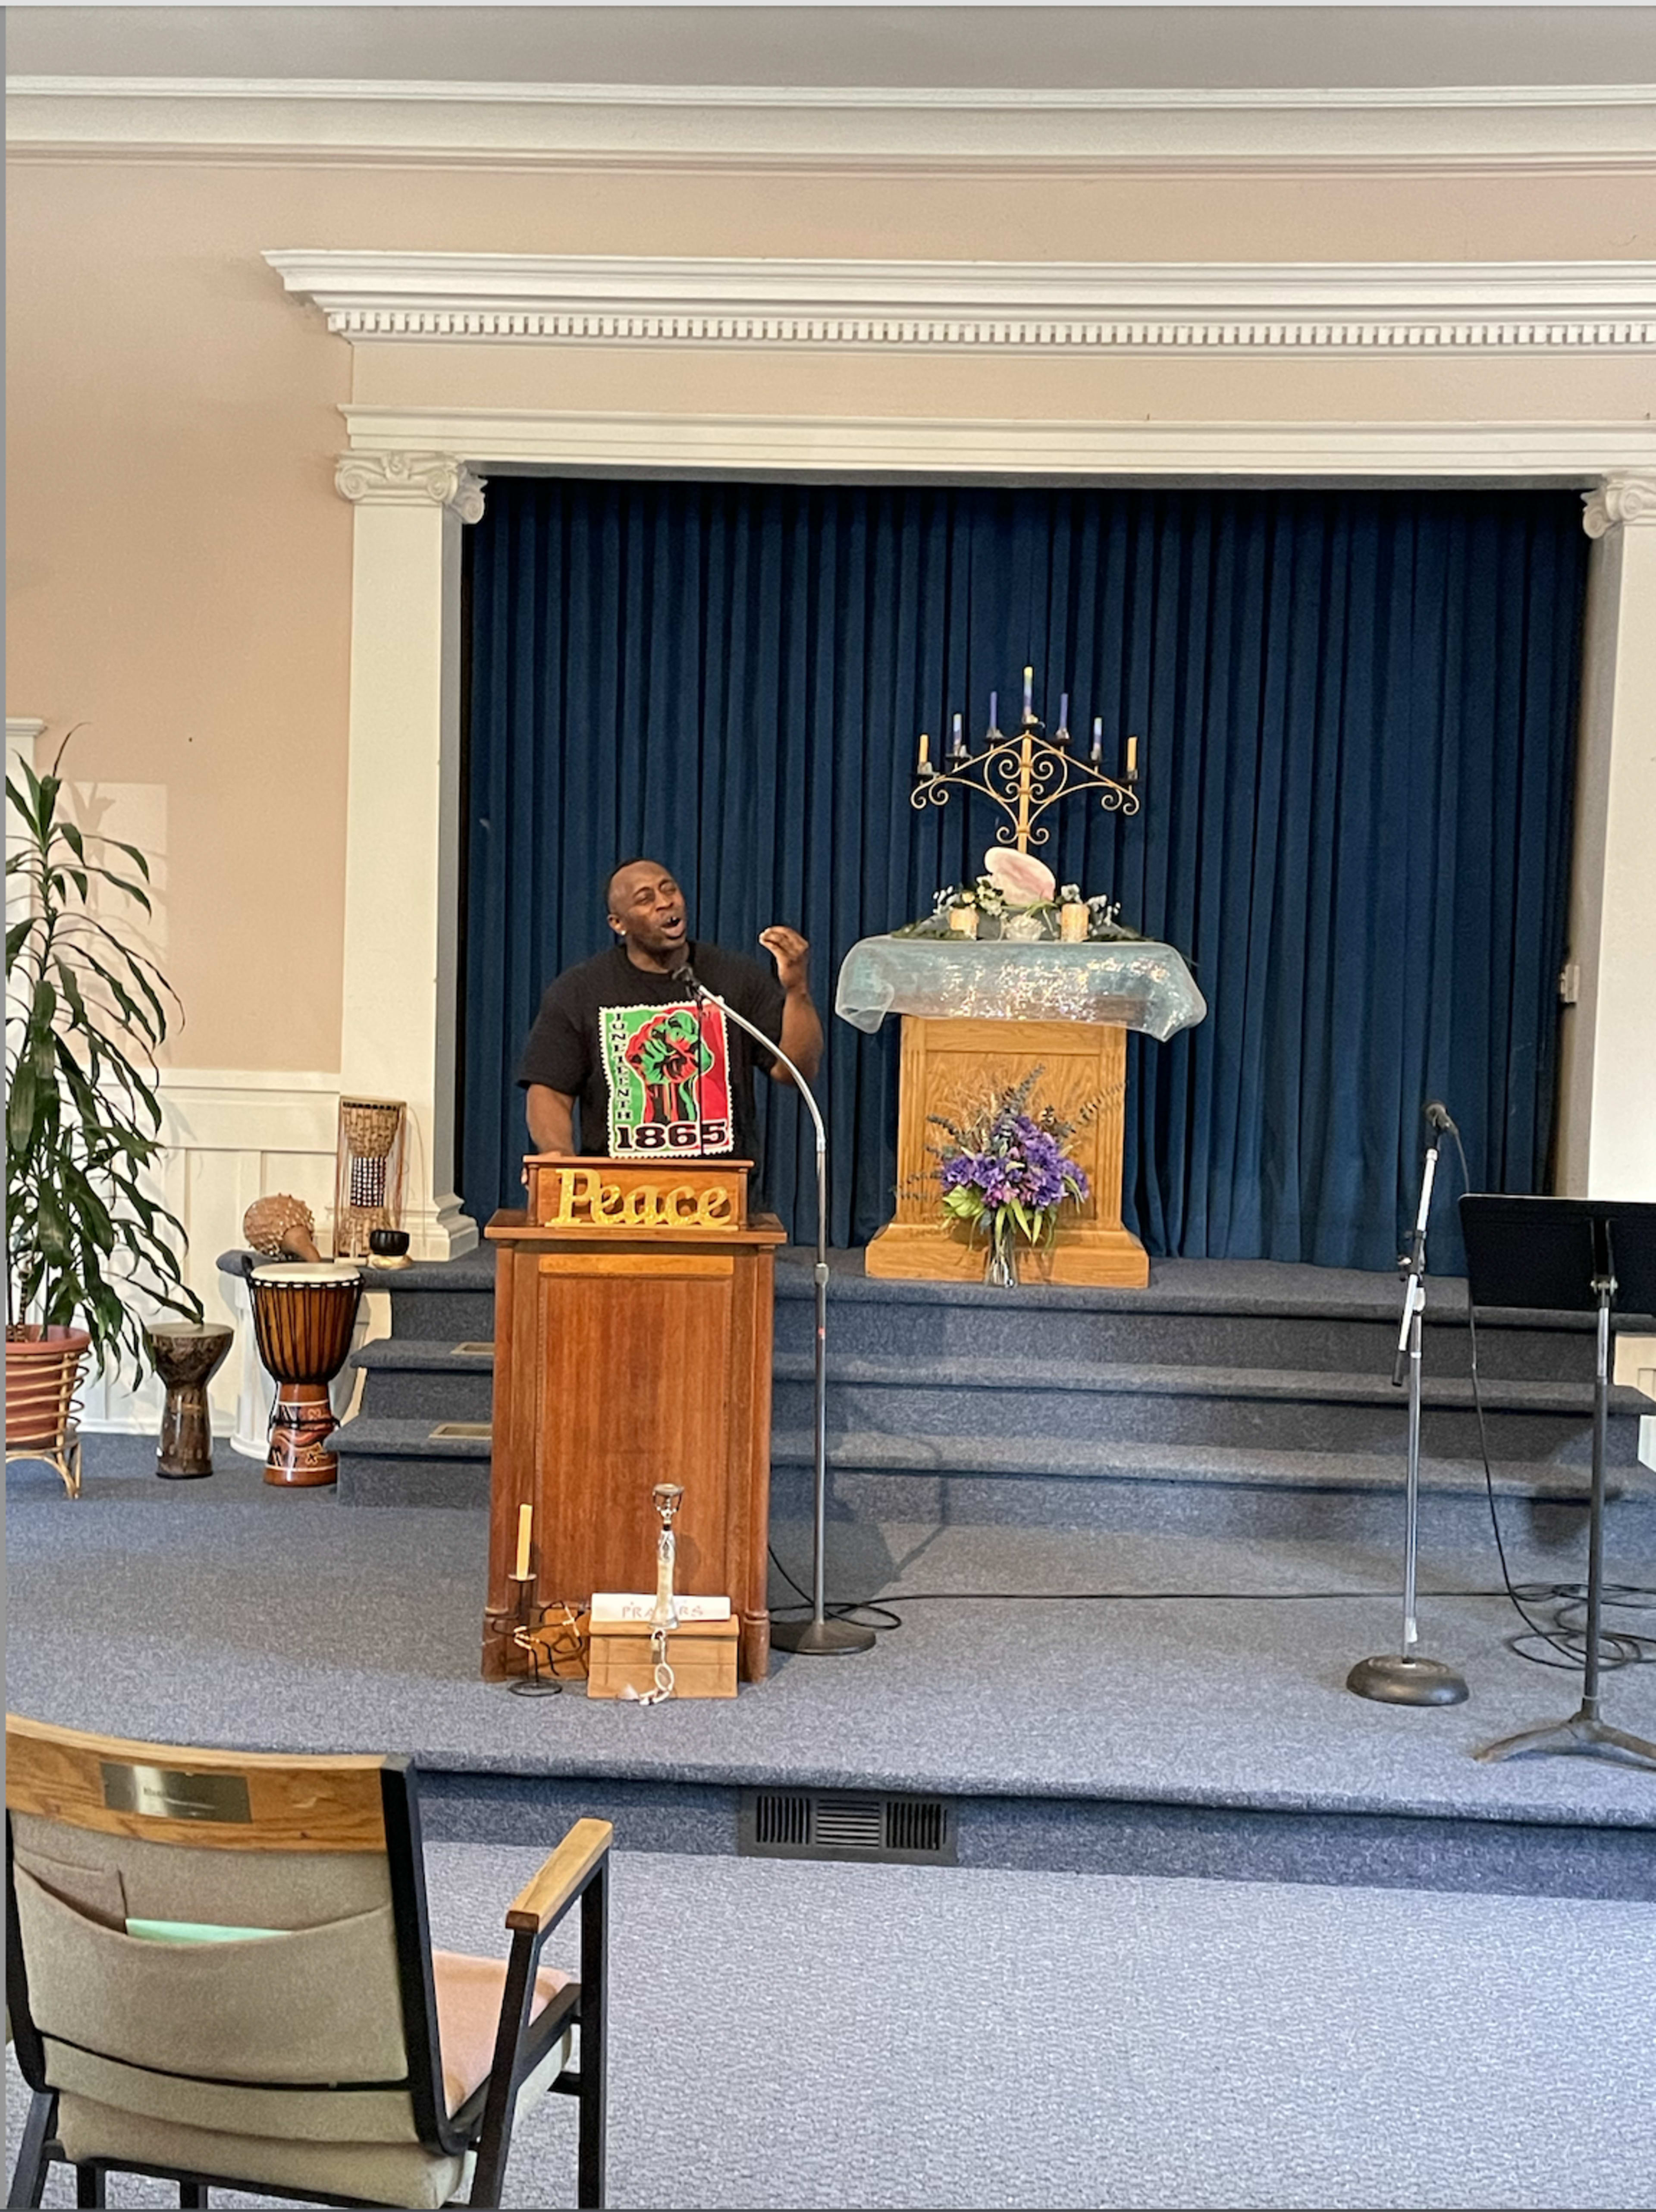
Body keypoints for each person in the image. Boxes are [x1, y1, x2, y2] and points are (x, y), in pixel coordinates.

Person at [518, 859, 823, 1180]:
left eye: (669, 889)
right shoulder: (580, 991)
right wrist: (558, 1154)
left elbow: (797, 1071)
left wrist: (797, 989)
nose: (665, 902)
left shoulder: (735, 977)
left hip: (725, 1200)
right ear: (618, 923)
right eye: (645, 898)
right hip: (614, 1199)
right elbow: (550, 1089)